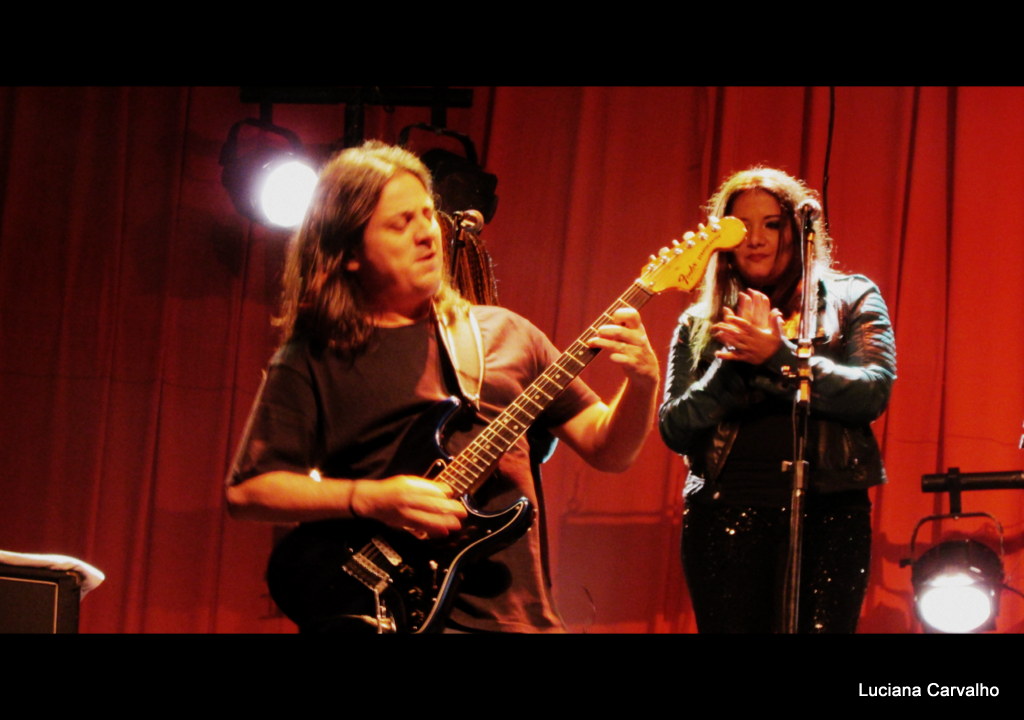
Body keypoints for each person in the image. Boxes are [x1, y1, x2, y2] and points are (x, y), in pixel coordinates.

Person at [226, 141, 659, 633]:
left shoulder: (507, 335)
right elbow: (249, 491)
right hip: (386, 615)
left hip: (518, 620)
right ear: (349, 253)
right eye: (400, 224)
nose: (427, 234)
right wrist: (370, 498)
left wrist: (643, 383)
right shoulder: (314, 357)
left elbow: (609, 450)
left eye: (427, 215)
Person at [658, 167, 896, 633]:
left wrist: (779, 357)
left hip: (829, 515)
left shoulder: (851, 297)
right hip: (723, 516)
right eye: (741, 227)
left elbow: (872, 391)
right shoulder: (698, 323)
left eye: (771, 224)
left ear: (798, 229)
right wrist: (729, 369)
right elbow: (674, 428)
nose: (756, 240)